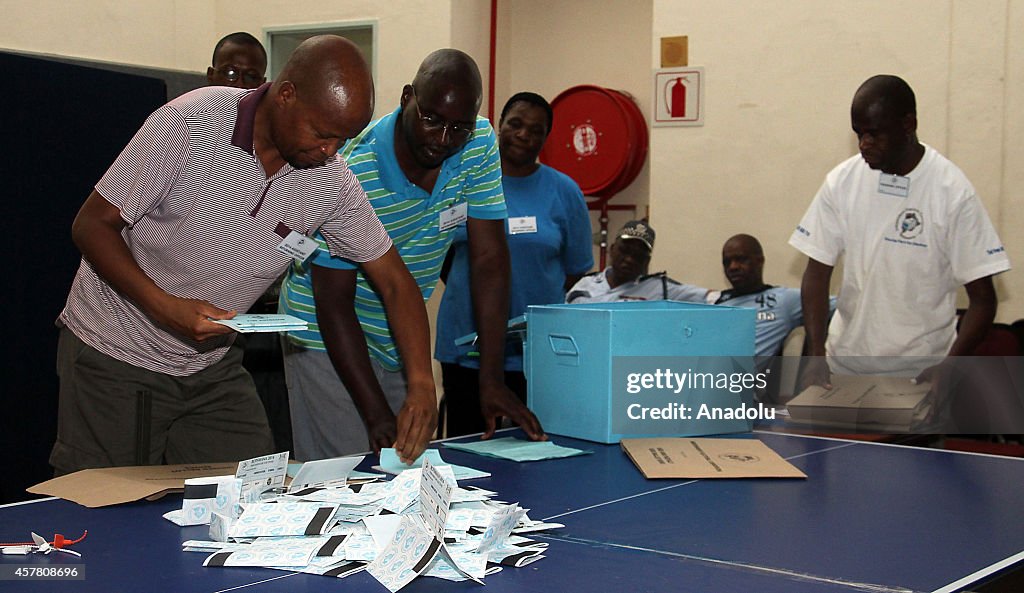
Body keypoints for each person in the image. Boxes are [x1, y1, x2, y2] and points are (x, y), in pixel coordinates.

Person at [52, 35, 436, 474]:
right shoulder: (189, 124)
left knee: (256, 497)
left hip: (209, 364)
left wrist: (421, 384)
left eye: (342, 140)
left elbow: (393, 280)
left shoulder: (331, 179)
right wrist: (167, 309)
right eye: (322, 133)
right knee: (104, 511)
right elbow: (92, 225)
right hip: (116, 353)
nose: (331, 151)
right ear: (286, 94)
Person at [280, 50, 545, 461]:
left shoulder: (477, 146)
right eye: (431, 119)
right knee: (346, 475)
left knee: (403, 476)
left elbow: (489, 262)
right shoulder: (353, 169)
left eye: (458, 127)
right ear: (407, 98)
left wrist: (490, 380)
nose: (442, 139)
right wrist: (374, 413)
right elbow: (333, 302)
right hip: (324, 331)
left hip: (399, 334)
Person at [790, 74, 1011, 389]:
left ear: (908, 124)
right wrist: (815, 356)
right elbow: (816, 272)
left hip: (919, 376)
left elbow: (983, 300)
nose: (864, 144)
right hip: (844, 367)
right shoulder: (842, 182)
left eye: (875, 134)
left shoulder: (951, 191)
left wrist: (949, 368)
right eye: (859, 133)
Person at [435, 92, 593, 437]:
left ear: (546, 139)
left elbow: (575, 269)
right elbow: (443, 252)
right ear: (499, 126)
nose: (524, 135)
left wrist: (532, 290)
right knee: (469, 445)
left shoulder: (564, 192)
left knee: (537, 444)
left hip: (537, 351)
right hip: (467, 343)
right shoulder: (465, 183)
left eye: (536, 130)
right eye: (516, 124)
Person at [566, 220, 708, 304]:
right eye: (625, 250)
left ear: (647, 261)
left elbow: (711, 297)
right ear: (612, 249)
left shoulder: (660, 288)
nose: (629, 259)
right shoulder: (585, 286)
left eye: (638, 256)